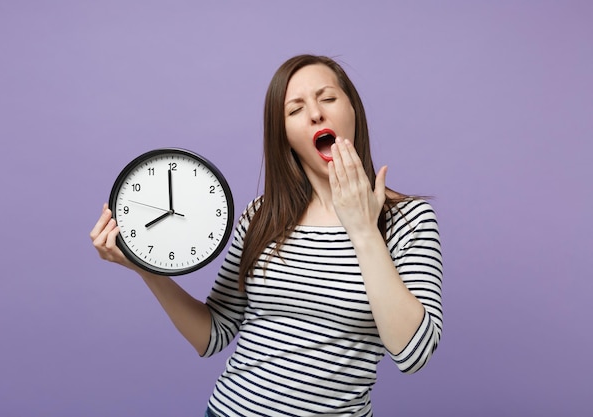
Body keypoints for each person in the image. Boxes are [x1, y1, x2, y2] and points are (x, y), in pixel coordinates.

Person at [90, 54, 443, 417]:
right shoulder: (262, 216)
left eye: (328, 98)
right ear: (285, 135)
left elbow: (413, 354)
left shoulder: (409, 220)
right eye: (295, 110)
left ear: (353, 111)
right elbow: (213, 334)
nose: (316, 114)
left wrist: (364, 229)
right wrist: (146, 269)